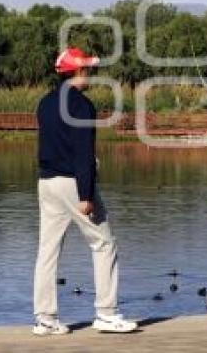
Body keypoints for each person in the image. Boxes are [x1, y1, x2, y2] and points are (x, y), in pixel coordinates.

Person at [32, 47, 137, 335]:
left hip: (46, 182)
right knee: (104, 243)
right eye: (87, 68)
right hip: (71, 183)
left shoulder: (44, 103)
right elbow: (82, 154)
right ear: (78, 71)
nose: (90, 72)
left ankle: (45, 319)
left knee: (48, 251)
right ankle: (106, 313)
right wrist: (86, 195)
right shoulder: (81, 106)